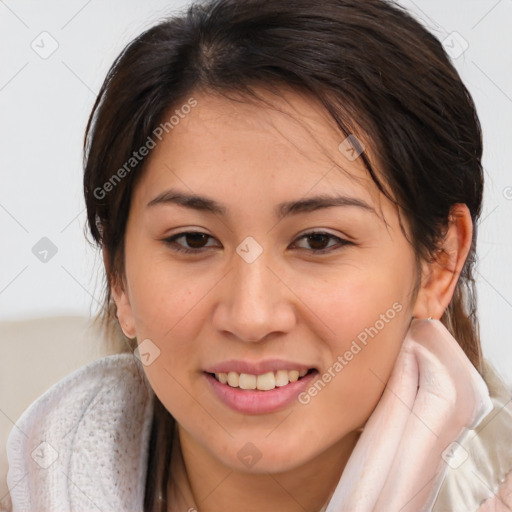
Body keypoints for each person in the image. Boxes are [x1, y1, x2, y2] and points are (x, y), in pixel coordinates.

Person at [4, 0, 512, 510]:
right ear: (118, 273)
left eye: (318, 241)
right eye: (193, 240)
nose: (251, 317)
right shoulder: (33, 481)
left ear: (440, 263)